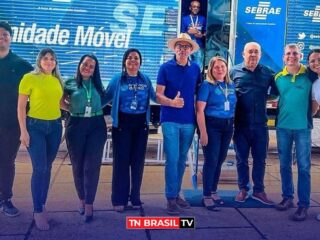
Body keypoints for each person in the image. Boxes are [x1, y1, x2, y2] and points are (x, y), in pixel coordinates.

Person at [104, 48, 156, 212]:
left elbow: (155, 97)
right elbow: (105, 98)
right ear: (124, 61)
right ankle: (119, 199)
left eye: (136, 58)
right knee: (121, 162)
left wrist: (171, 102)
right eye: (129, 58)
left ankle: (135, 198)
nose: (133, 61)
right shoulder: (117, 79)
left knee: (138, 162)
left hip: (141, 124)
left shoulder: (145, 79)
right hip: (123, 124)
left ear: (140, 62)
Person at [17, 48, 63, 230]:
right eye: (45, 59)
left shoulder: (57, 80)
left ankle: (42, 206)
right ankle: (37, 211)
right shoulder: (29, 78)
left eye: (52, 59)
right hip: (35, 127)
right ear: (39, 61)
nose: (49, 62)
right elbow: (21, 107)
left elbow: (59, 103)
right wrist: (23, 131)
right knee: (40, 167)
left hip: (55, 127)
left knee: (48, 167)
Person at [156, 33, 202, 215]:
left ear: (191, 50)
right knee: (172, 159)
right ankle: (170, 198)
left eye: (186, 47)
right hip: (170, 120)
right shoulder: (165, 68)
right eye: (180, 46)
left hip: (188, 121)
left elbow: (198, 94)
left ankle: (176, 194)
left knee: (182, 160)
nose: (183, 49)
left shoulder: (196, 69)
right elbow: (158, 95)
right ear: (174, 48)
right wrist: (172, 103)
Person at [61, 54, 107, 223]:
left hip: (96, 125)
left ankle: (89, 204)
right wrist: (73, 109)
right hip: (76, 125)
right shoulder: (70, 83)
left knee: (91, 167)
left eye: (91, 66)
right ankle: (81, 200)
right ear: (80, 64)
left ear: (95, 70)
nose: (87, 67)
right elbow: (61, 102)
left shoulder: (97, 84)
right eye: (85, 64)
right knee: (78, 166)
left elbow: (104, 99)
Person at [230, 42, 276, 205]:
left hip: (260, 126)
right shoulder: (233, 72)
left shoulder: (268, 73)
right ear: (243, 54)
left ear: (260, 55)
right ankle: (243, 189)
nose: (253, 55)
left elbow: (276, 93)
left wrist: (265, 99)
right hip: (240, 125)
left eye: (256, 52)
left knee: (260, 159)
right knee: (241, 159)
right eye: (250, 52)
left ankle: (259, 191)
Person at [274, 43, 313, 221]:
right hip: (283, 127)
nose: (291, 56)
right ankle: (287, 197)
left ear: (301, 55)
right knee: (284, 165)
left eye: (295, 53)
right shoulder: (278, 78)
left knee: (304, 167)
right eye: (288, 53)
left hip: (303, 128)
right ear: (283, 57)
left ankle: (303, 205)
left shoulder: (310, 76)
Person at [0, 21, 33, 217]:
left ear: (10, 38)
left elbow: (38, 84)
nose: (2, 37)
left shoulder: (21, 65)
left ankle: (6, 199)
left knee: (6, 161)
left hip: (11, 125)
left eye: (5, 34)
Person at [197, 56, 236, 211]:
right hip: (211, 125)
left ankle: (213, 191)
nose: (220, 69)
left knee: (220, 160)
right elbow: (199, 110)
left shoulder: (231, 85)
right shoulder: (207, 85)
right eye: (216, 67)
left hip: (228, 126)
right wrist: (203, 133)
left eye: (222, 66)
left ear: (226, 68)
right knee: (211, 160)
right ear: (210, 70)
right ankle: (206, 195)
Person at [181, 0, 206, 71]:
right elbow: (181, 33)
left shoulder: (202, 19)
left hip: (199, 47)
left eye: (198, 7)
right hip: (187, 47)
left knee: (198, 68)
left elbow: (207, 32)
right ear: (190, 8)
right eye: (194, 6)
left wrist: (202, 35)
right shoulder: (184, 19)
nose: (196, 8)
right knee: (186, 67)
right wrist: (188, 32)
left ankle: (197, 82)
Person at [307, 49, 320, 116]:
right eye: (312, 61)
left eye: (319, 60)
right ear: (308, 64)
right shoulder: (314, 83)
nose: (317, 63)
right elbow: (312, 111)